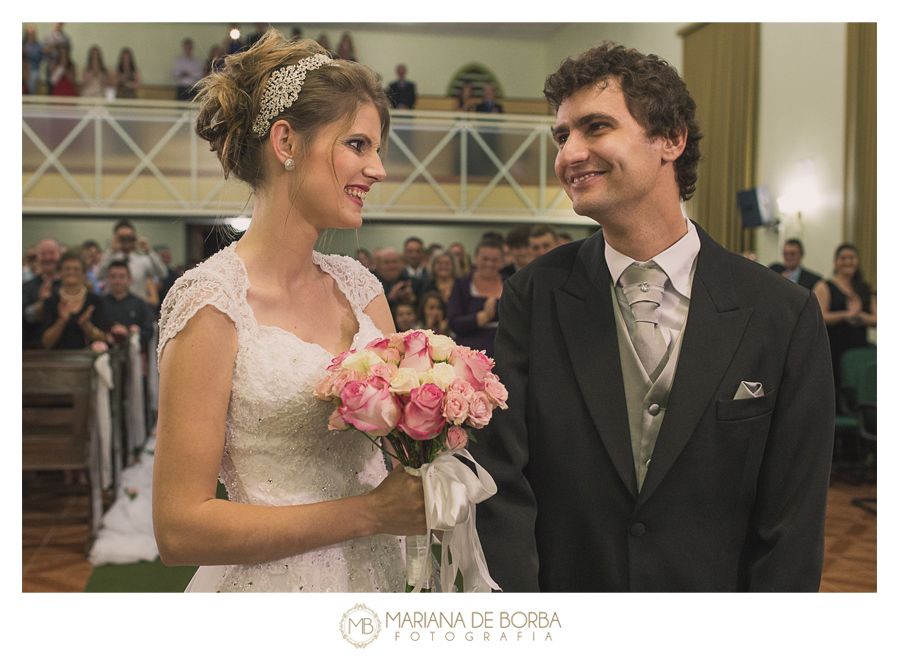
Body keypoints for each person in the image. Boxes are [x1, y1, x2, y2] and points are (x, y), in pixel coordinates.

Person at [471, 42, 834, 592]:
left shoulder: (780, 312)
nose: (569, 154)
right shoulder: (534, 296)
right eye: (562, 135)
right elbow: (503, 482)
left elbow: (793, 520)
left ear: (671, 139)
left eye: (595, 128)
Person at [153, 30, 424, 593]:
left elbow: (401, 464)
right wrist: (370, 513)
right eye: (358, 145)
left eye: (377, 149)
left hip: (384, 580)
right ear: (286, 143)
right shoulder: (212, 304)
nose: (377, 169)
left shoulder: (362, 290)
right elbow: (179, 529)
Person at [812, 243, 876, 403]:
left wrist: (859, 316)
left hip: (859, 347)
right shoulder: (824, 286)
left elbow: (876, 319)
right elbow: (819, 317)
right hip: (833, 349)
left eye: (852, 258)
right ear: (835, 262)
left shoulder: (864, 288)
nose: (848, 261)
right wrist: (846, 315)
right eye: (843, 258)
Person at [447, 238, 506, 358]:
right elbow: (454, 322)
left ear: (502, 261)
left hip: (505, 354)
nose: (489, 264)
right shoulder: (462, 284)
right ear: (475, 257)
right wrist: (481, 317)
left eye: (494, 260)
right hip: (470, 355)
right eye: (485, 259)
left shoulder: (510, 283)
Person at [41, 251, 109, 350]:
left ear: (83, 273)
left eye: (76, 269)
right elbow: (45, 343)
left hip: (88, 359)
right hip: (56, 361)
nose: (71, 272)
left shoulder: (95, 301)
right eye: (67, 268)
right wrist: (61, 321)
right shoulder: (51, 302)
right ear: (59, 272)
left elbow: (104, 339)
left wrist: (88, 328)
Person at [98, 221, 168, 303]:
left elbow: (163, 274)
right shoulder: (111, 260)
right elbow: (98, 277)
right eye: (122, 237)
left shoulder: (143, 260)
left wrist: (149, 251)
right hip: (115, 306)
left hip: (138, 308)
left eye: (128, 237)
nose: (126, 241)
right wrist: (111, 251)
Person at [104, 260, 154, 350]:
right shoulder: (101, 303)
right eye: (113, 276)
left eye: (121, 277)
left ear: (129, 279)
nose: (117, 280)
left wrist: (130, 333)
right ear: (108, 279)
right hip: (105, 353)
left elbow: (149, 331)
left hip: (135, 355)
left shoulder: (139, 304)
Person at [23, 238, 62, 349]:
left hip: (64, 348)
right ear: (37, 258)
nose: (48, 258)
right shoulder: (27, 287)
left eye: (52, 253)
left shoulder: (68, 285)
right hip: (34, 348)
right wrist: (41, 304)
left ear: (59, 256)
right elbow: (23, 317)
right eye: (43, 254)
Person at [23, 25, 43, 95]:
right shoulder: (23, 44)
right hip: (23, 72)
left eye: (32, 33)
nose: (30, 35)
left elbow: (39, 57)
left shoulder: (38, 45)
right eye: (29, 33)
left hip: (34, 71)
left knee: (32, 91)